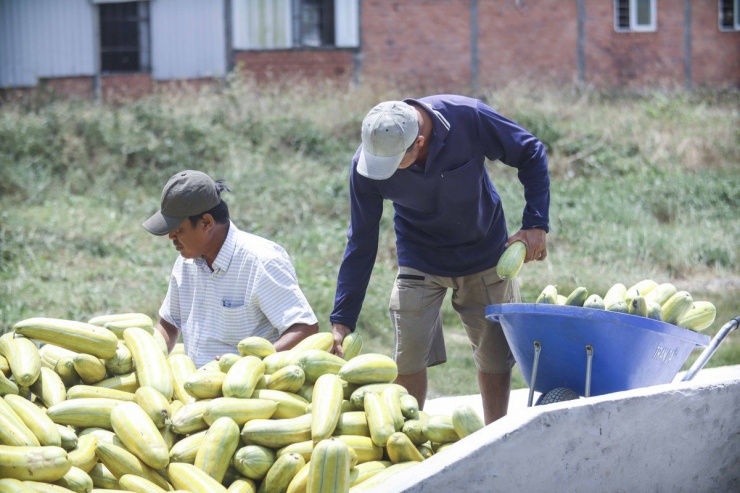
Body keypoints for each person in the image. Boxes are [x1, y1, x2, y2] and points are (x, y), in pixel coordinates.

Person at [329, 96, 550, 424]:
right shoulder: (367, 166)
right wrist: (342, 320)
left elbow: (531, 151)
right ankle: (412, 436)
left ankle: (494, 434)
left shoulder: (468, 118)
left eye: (392, 163)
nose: (382, 172)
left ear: (418, 143)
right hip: (419, 255)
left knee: (494, 358)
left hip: (483, 251)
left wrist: (535, 223)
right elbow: (360, 241)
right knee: (408, 353)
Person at [143, 169, 319, 367]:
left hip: (245, 392)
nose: (171, 238)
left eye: (178, 230)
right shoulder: (185, 263)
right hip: (196, 387)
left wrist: (249, 365)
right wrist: (148, 358)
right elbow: (169, 324)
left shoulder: (262, 261)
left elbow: (305, 328)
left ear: (206, 222)